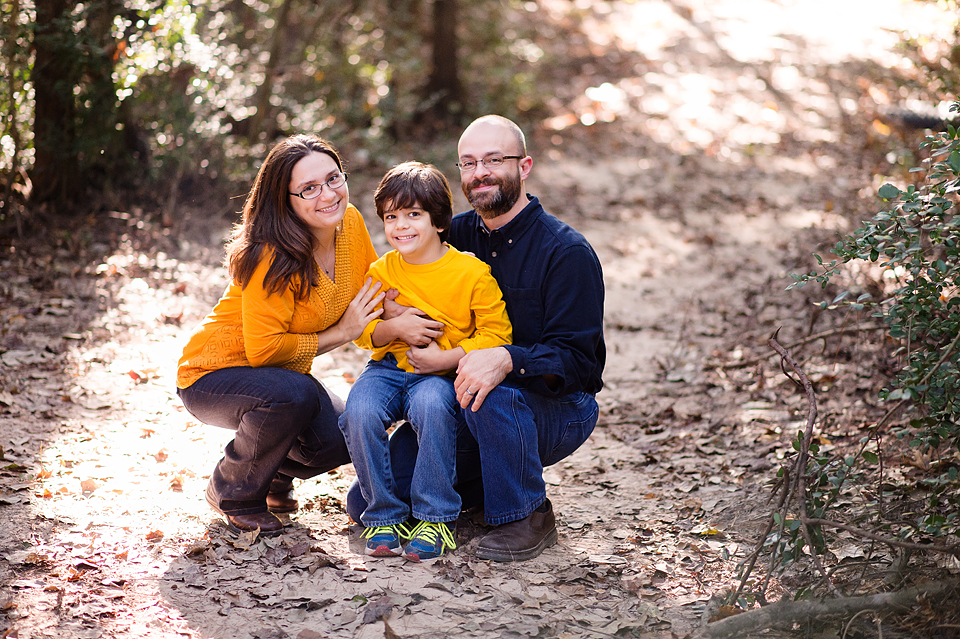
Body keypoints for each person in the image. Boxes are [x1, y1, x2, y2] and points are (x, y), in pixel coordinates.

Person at [347, 115, 606, 562]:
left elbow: (581, 365)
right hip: (461, 400)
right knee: (359, 503)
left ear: (524, 166)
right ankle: (481, 483)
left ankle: (527, 513)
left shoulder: (566, 252)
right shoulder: (453, 233)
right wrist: (392, 317)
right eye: (468, 163)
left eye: (493, 160)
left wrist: (507, 358)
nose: (480, 172)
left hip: (553, 408)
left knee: (490, 386)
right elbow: (398, 273)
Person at [177, 134, 391, 536]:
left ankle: (270, 474)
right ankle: (235, 491)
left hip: (280, 377)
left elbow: (374, 294)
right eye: (308, 188)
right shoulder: (271, 253)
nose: (327, 194)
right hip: (211, 375)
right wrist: (343, 331)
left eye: (333, 179)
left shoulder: (351, 223)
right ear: (285, 198)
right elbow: (264, 352)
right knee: (294, 395)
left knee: (346, 434)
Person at [340, 161, 512, 561]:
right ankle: (384, 514)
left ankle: (436, 517)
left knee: (434, 407)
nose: (401, 225)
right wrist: (395, 330)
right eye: (391, 217)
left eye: (413, 214)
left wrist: (445, 358)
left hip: (437, 375)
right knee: (359, 410)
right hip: (386, 369)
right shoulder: (382, 270)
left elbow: (497, 335)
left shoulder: (470, 273)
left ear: (438, 221)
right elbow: (362, 332)